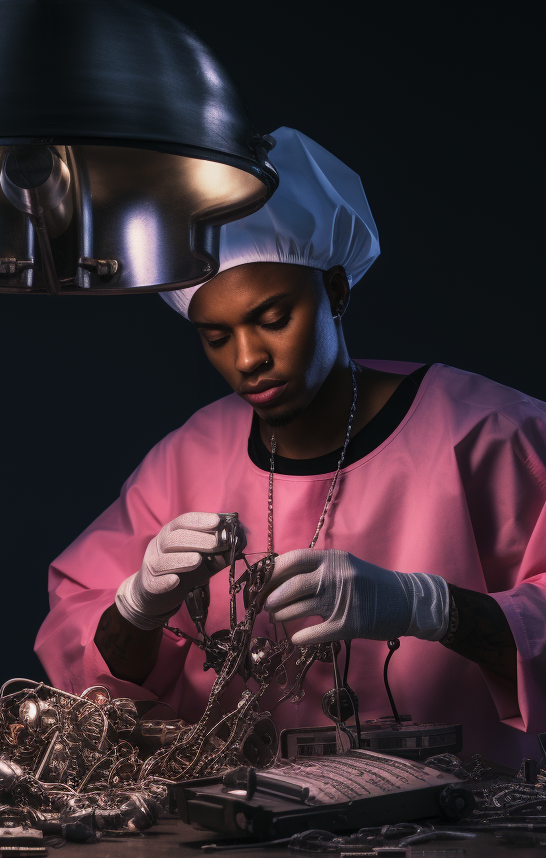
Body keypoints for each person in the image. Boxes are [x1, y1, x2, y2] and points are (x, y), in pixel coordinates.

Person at [34, 128, 545, 766]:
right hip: (240, 846)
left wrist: (432, 608)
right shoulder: (186, 460)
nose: (248, 359)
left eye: (274, 319)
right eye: (216, 336)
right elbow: (81, 670)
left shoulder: (491, 434)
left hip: (462, 840)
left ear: (335, 291)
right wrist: (137, 607)